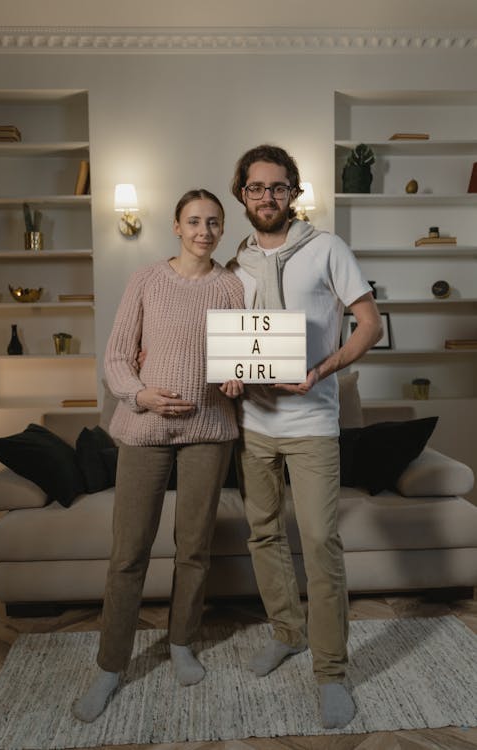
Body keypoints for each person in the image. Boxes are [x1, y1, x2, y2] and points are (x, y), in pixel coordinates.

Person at [73, 188, 244, 723]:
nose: (204, 231)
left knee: (194, 547)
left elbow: (241, 361)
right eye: (194, 221)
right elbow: (118, 357)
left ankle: (181, 643)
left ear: (223, 228)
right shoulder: (147, 279)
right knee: (129, 552)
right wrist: (142, 395)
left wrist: (239, 379)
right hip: (144, 427)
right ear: (176, 225)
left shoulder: (235, 287)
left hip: (210, 429)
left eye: (214, 222)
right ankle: (110, 664)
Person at [226, 144, 383, 729]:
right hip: (254, 426)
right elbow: (235, 344)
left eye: (278, 187)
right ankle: (287, 634)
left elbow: (368, 323)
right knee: (264, 535)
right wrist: (231, 376)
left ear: (294, 192)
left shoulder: (327, 249)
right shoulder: (233, 263)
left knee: (319, 543)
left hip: (313, 421)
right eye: (255, 187)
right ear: (242, 194)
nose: (267, 197)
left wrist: (322, 370)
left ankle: (332, 671)